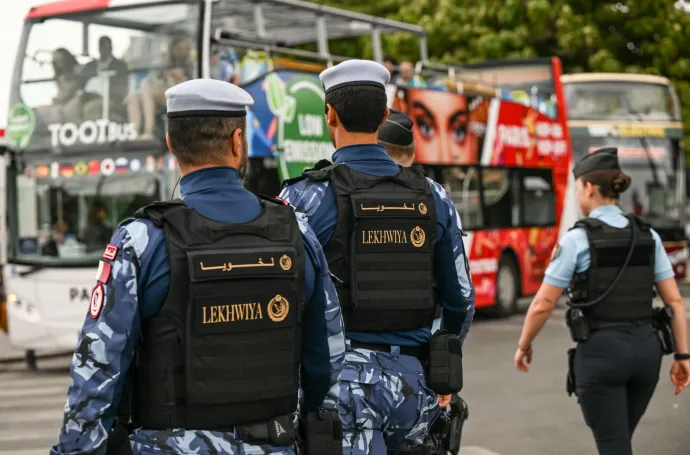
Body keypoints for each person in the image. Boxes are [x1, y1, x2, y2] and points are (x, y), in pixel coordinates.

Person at [51, 79, 346, 455]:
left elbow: (97, 367)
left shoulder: (142, 240)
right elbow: (328, 354)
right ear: (239, 142)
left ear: (171, 143)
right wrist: (312, 427)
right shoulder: (296, 232)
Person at [280, 59, 475, 455]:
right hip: (415, 386)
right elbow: (461, 299)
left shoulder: (305, 198)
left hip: (341, 390)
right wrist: (440, 370)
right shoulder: (434, 197)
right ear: (384, 115)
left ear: (329, 114)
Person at [514, 147, 690, 455]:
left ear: (589, 188)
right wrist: (683, 357)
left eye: (578, 188)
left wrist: (524, 344)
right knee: (619, 440)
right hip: (647, 355)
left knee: (613, 446)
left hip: (601, 356)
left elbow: (543, 304)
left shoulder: (577, 239)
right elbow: (674, 302)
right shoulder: (647, 235)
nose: (578, 196)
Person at [81, 36, 129, 115]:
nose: (103, 50)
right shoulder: (90, 66)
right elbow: (81, 81)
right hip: (88, 96)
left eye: (106, 47)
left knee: (90, 108)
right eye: (101, 46)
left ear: (111, 48)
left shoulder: (120, 65)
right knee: (72, 109)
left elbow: (122, 85)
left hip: (109, 97)